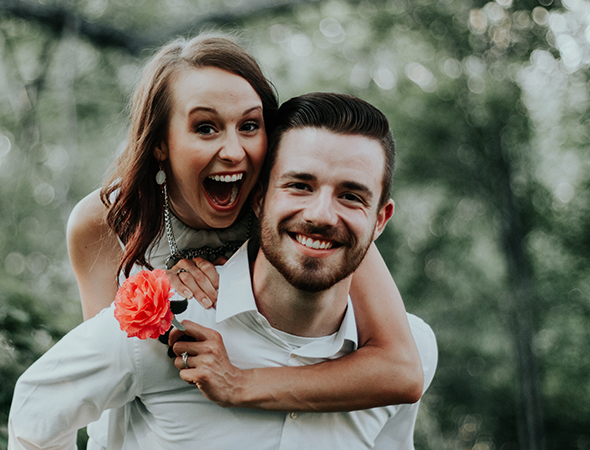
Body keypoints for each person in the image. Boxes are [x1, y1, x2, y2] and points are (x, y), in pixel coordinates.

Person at [9, 92, 437, 449]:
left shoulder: (410, 347)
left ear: (381, 219)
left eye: (351, 196)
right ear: (257, 198)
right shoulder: (163, 328)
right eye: (299, 185)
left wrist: (241, 384)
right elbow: (35, 416)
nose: (321, 214)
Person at [66, 35, 423, 423]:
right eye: (206, 128)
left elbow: (400, 369)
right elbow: (105, 381)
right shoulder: (101, 222)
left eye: (250, 125)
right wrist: (162, 295)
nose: (234, 151)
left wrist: (240, 384)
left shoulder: (300, 213)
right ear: (160, 143)